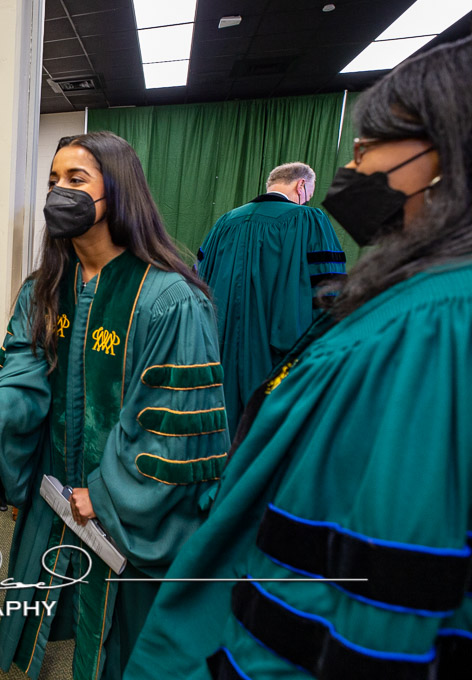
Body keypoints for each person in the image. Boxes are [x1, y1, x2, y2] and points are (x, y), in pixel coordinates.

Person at [123, 36, 472, 680]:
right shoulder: (336, 247)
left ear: (447, 154)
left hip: (231, 355)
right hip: (282, 354)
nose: (358, 162)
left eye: (372, 143)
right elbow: (322, 297)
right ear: (301, 189)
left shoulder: (427, 323)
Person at [0, 131, 230, 680]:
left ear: (119, 192)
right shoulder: (46, 287)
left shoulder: (169, 300)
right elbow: (24, 370)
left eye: (76, 180)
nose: (58, 192)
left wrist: (107, 493)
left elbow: (174, 427)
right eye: (53, 181)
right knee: (47, 600)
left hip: (125, 501)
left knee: (122, 645)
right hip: (56, 484)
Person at [196, 162, 345, 436]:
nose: (308, 198)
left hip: (220, 346)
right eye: (309, 191)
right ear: (301, 185)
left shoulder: (224, 223)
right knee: (269, 431)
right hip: (279, 350)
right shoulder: (309, 220)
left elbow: (198, 281)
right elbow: (328, 289)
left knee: (222, 430)